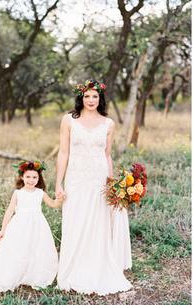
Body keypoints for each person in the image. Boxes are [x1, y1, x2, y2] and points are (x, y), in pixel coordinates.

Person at [55, 79, 132, 295]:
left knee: (99, 222)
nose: (90, 100)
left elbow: (107, 155)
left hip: (99, 179)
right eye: (87, 96)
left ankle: (97, 266)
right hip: (76, 179)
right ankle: (73, 268)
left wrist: (112, 184)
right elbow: (63, 153)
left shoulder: (108, 124)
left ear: (101, 99)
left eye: (95, 96)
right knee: (75, 220)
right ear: (81, 98)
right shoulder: (69, 120)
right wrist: (58, 183)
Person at [0, 161, 63, 292]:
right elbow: (9, 211)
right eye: (28, 177)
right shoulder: (18, 193)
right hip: (20, 225)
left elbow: (53, 204)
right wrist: (3, 229)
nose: (31, 180)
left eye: (34, 177)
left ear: (39, 178)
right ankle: (17, 273)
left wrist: (59, 199)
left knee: (37, 248)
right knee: (19, 248)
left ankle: (34, 275)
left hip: (37, 225)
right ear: (22, 177)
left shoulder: (40, 193)